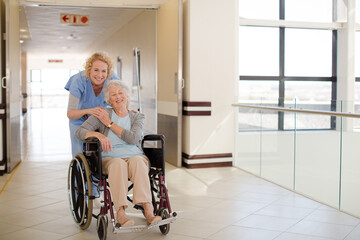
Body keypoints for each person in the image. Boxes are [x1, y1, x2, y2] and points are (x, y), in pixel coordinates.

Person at [75, 80, 162, 227]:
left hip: (134, 155)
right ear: (109, 100)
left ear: (127, 96)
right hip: (109, 158)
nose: (118, 97)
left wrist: (109, 124)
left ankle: (148, 210)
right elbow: (79, 132)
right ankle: (121, 213)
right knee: (118, 163)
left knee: (139, 162)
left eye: (121, 93)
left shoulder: (137, 117)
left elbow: (133, 138)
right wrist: (99, 135)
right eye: (113, 95)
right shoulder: (102, 114)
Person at [65, 52, 120, 158]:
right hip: (80, 120)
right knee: (80, 153)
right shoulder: (78, 81)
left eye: (103, 71)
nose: (100, 75)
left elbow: (122, 99)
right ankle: (81, 172)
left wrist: (128, 111)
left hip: (102, 120)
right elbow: (70, 114)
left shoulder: (112, 79)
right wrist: (88, 111)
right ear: (89, 69)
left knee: (104, 151)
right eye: (96, 70)